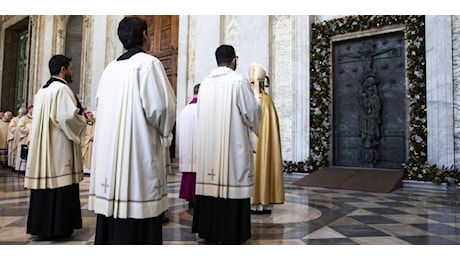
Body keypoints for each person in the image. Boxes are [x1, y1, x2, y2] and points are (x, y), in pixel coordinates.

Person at [88, 16, 176, 245]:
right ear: (145, 35)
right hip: (137, 157)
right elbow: (162, 108)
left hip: (109, 160)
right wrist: (166, 133)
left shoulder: (109, 70)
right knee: (138, 208)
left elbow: (99, 105)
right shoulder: (149, 64)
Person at [191, 44, 260, 244]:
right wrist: (255, 124)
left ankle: (209, 230)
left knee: (211, 188)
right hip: (233, 146)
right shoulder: (238, 81)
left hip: (209, 147)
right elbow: (251, 113)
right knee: (233, 183)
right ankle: (232, 233)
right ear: (233, 60)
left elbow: (200, 113)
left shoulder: (205, 83)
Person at [24, 54, 87, 241]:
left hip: (43, 147)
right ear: (63, 70)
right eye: (71, 68)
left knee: (45, 186)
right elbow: (67, 117)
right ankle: (59, 227)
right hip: (58, 147)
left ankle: (42, 227)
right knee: (60, 184)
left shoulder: (41, 91)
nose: (72, 72)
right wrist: (83, 121)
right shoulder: (62, 89)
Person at [248, 63, 285, 214]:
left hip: (250, 146)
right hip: (264, 146)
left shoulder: (247, 100)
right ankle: (264, 201)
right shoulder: (267, 101)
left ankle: (250, 201)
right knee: (265, 165)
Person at [178, 83, 200, 213]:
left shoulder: (184, 110)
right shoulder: (203, 108)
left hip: (187, 149)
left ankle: (190, 200)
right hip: (199, 148)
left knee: (189, 170)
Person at [15, 105, 33, 172]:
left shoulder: (35, 118)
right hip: (25, 137)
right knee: (24, 154)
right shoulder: (23, 118)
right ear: (29, 110)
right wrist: (29, 129)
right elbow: (20, 127)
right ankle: (22, 169)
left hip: (32, 139)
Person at [81, 110, 95, 175]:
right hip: (87, 143)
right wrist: (89, 138)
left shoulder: (95, 124)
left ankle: (91, 171)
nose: (92, 117)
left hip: (93, 144)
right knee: (86, 157)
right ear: (87, 117)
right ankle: (85, 170)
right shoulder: (83, 125)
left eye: (92, 115)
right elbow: (82, 134)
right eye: (91, 116)